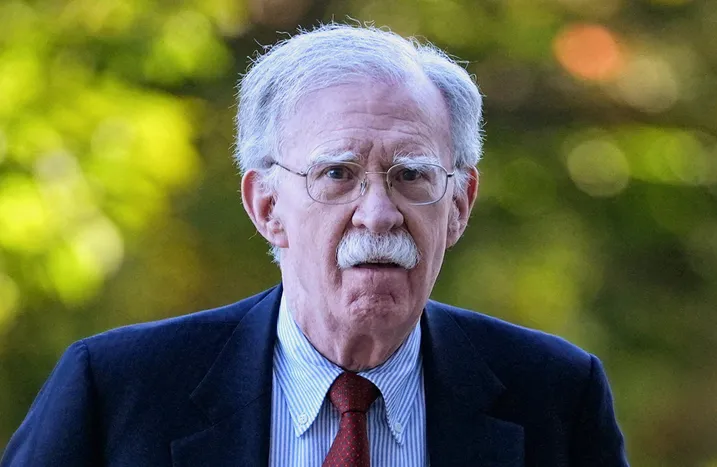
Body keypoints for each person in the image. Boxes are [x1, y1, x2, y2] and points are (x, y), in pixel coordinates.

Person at [1, 24, 628, 466]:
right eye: (337, 174)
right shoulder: (116, 392)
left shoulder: (556, 396)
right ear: (267, 206)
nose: (378, 215)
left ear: (459, 205)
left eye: (412, 175)